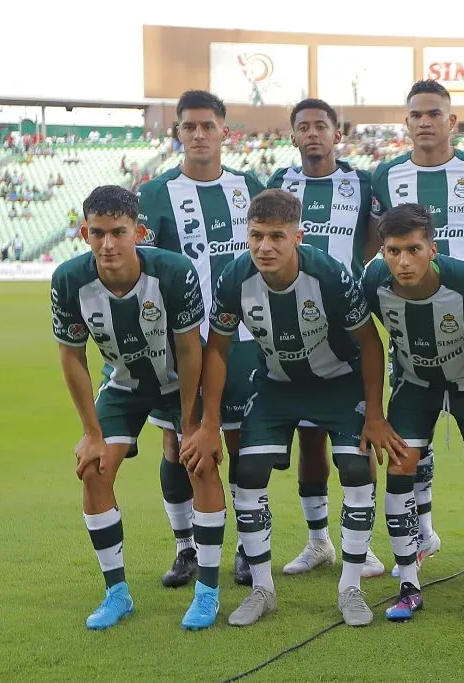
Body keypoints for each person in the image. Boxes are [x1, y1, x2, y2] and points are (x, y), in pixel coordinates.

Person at [183, 189, 403, 627]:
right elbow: (218, 352)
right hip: (278, 385)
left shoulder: (329, 275)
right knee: (247, 472)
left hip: (339, 384)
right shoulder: (233, 278)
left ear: (298, 236)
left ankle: (351, 588)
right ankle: (263, 589)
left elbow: (370, 343)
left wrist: (375, 416)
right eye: (257, 236)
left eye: (277, 237)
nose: (265, 247)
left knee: (356, 468)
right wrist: (209, 423)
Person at [51, 185, 225, 631]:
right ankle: (117, 594)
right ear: (84, 232)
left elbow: (190, 352)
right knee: (92, 469)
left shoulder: (172, 271)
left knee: (199, 463)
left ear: (139, 232)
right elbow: (72, 356)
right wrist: (91, 433)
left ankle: (207, 591)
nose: (107, 244)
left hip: (178, 382)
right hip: (124, 384)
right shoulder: (69, 279)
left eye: (118, 232)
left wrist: (192, 425)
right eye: (97, 233)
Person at [372, 80, 464, 581]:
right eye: (416, 115)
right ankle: (421, 535)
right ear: (405, 123)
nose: (425, 122)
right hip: (412, 331)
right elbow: (379, 246)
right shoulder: (386, 175)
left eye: (435, 113)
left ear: (452, 121)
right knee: (414, 447)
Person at [138, 90, 265, 589]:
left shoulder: (249, 186)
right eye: (188, 126)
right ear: (177, 133)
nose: (197, 134)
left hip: (245, 339)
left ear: (223, 132)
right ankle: (186, 547)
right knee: (177, 444)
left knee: (238, 443)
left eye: (206, 126)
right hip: (180, 344)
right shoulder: (154, 193)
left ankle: (241, 547)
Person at [361, 203, 464, 623]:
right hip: (415, 386)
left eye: (413, 249)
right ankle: (408, 583)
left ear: (432, 248)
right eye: (393, 251)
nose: (403, 261)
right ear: (382, 251)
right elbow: (365, 338)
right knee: (400, 467)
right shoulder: (374, 281)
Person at [266, 98, 386, 579]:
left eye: (321, 126)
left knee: (358, 439)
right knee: (309, 438)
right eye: (303, 127)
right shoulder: (280, 183)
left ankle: (365, 543)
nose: (312, 133)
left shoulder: (360, 183)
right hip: (290, 325)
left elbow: (375, 235)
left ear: (338, 134)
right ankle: (318, 542)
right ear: (292, 135)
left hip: (346, 325)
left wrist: (350, 269)